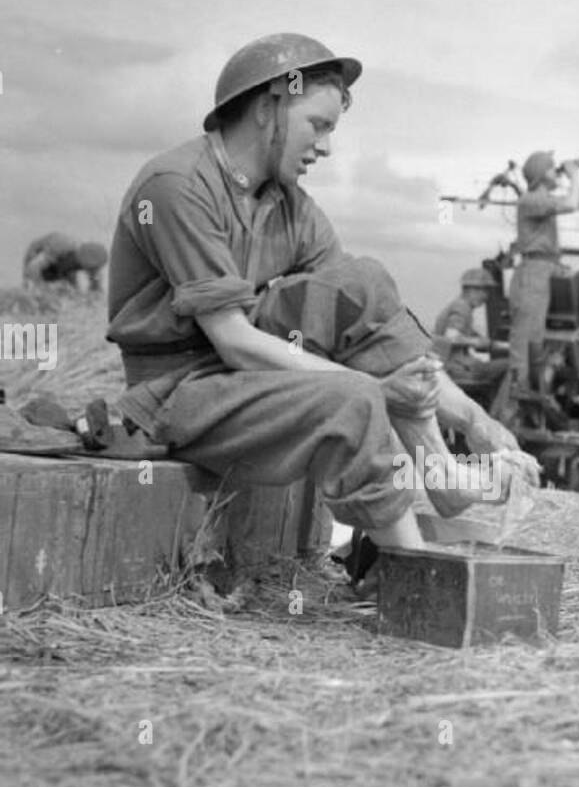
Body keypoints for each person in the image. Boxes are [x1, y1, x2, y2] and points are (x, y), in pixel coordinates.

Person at [106, 32, 519, 552]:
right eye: (318, 126)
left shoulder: (289, 205)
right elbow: (233, 340)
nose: (325, 147)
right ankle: (410, 564)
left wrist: (475, 421)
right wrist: (374, 388)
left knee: (361, 281)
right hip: (176, 390)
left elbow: (371, 313)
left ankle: (436, 463)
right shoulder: (177, 185)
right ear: (266, 109)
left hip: (242, 372)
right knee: (353, 399)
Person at [507, 151, 579, 387]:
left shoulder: (540, 202)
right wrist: (573, 176)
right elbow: (572, 203)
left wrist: (574, 178)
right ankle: (520, 389)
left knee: (536, 336)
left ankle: (536, 384)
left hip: (545, 270)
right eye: (551, 168)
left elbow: (577, 201)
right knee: (526, 336)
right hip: (535, 272)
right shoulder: (532, 200)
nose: (555, 172)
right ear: (540, 175)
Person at [432, 267, 510, 413]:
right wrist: (475, 342)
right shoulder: (462, 307)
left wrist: (501, 345)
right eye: (484, 291)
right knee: (512, 365)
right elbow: (452, 337)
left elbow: (477, 339)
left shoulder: (457, 306)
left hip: (451, 366)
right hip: (458, 368)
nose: (486, 297)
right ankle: (496, 414)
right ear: (471, 289)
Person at [23, 233, 107, 297]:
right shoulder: (59, 248)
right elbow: (32, 268)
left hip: (59, 262)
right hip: (38, 253)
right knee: (45, 290)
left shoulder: (92, 262)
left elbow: (96, 292)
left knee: (70, 292)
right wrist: (39, 288)